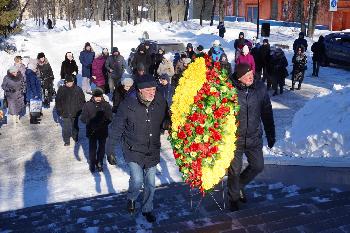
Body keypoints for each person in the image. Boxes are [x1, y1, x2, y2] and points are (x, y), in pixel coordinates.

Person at [106, 74, 168, 223]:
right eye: (148, 90)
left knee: (151, 183)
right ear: (140, 90)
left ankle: (147, 208)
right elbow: (116, 128)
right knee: (137, 179)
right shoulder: (128, 104)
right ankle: (132, 198)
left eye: (154, 89)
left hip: (152, 148)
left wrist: (167, 122)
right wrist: (110, 150)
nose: (152, 93)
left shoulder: (159, 100)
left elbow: (168, 115)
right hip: (132, 148)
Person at [228, 63, 275, 212]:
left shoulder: (260, 88)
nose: (251, 78)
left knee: (258, 166)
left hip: (254, 136)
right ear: (239, 78)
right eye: (247, 76)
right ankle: (234, 198)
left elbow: (267, 112)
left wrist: (270, 133)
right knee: (234, 171)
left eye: (252, 74)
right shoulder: (229, 89)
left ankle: (240, 185)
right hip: (235, 139)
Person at [81, 88, 113, 173]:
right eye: (96, 97)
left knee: (102, 148)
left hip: (103, 130)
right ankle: (92, 163)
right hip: (92, 131)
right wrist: (90, 123)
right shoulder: (87, 105)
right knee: (92, 149)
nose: (98, 98)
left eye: (100, 97)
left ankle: (99, 162)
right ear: (93, 97)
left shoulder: (106, 105)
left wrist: (103, 123)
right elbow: (83, 118)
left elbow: (110, 117)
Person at [55, 74, 85, 146]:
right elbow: (58, 101)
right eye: (67, 82)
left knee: (75, 126)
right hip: (65, 113)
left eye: (70, 82)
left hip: (75, 112)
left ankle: (75, 136)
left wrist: (81, 110)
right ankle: (67, 140)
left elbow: (82, 101)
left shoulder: (78, 89)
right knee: (66, 128)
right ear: (65, 82)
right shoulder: (61, 90)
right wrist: (59, 111)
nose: (69, 84)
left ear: (73, 81)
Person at [26, 60, 43, 124]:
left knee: (34, 106)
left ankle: (34, 119)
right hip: (33, 93)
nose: (36, 69)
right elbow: (33, 85)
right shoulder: (31, 74)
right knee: (33, 107)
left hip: (32, 93)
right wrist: (36, 94)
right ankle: (33, 120)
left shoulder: (31, 73)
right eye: (35, 68)